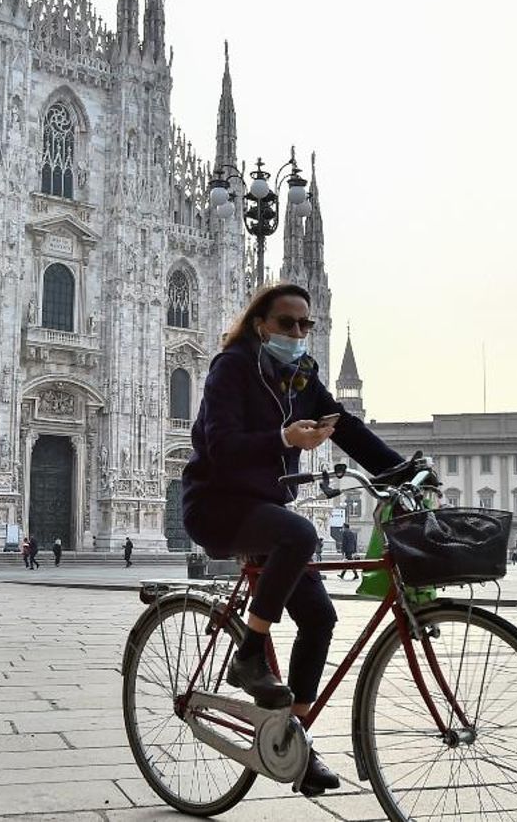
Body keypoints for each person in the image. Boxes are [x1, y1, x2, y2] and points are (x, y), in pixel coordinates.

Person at [180, 283, 405, 798]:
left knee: (321, 616)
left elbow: (342, 425)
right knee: (299, 532)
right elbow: (222, 446)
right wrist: (284, 438)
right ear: (261, 323)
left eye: (306, 325)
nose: (299, 332)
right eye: (288, 323)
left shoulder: (301, 377)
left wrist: (403, 470)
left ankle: (293, 743)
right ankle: (249, 653)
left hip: (264, 509)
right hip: (216, 505)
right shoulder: (232, 367)